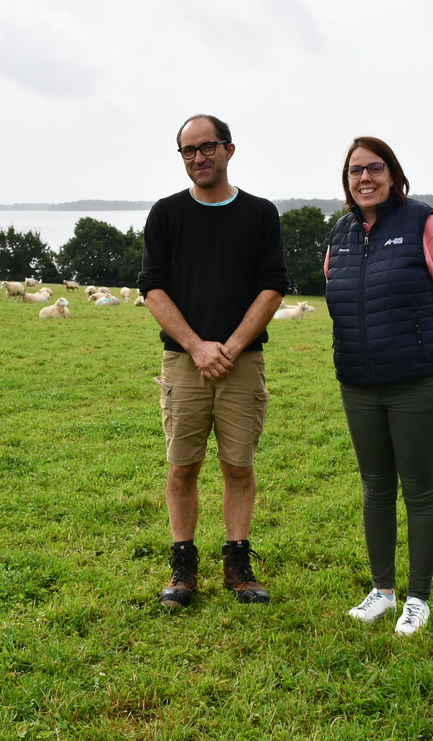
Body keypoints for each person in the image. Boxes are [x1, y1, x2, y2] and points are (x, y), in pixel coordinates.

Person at [138, 114, 289, 608]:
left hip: (242, 363)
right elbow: (152, 288)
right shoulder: (166, 214)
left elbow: (273, 286)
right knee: (182, 467)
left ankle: (238, 564)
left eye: (207, 147)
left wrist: (231, 346)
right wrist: (198, 346)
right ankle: (183, 568)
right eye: (188, 150)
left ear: (229, 150)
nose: (198, 158)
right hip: (184, 362)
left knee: (238, 465)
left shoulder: (260, 214)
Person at [324, 136, 433, 636]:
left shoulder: (425, 225)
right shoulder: (340, 235)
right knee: (375, 487)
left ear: (393, 174)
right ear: (346, 181)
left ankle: (419, 598)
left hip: (416, 380)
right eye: (354, 171)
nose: (364, 178)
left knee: (419, 489)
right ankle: (382, 591)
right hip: (359, 383)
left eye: (374, 168)